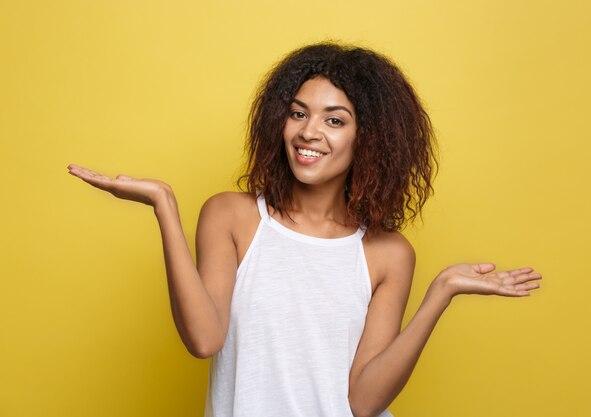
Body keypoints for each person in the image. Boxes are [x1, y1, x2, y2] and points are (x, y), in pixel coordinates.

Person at [67, 41, 542, 417]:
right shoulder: (231, 216)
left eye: (334, 120)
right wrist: (164, 207)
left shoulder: (388, 253)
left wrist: (441, 292)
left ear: (367, 139)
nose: (309, 132)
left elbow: (363, 402)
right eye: (298, 113)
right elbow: (204, 340)